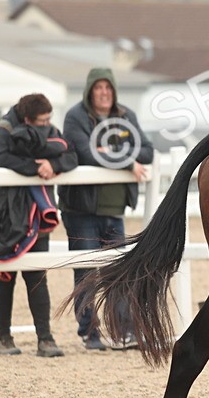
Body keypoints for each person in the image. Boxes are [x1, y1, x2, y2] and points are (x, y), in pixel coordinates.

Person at [59, 67, 154, 350]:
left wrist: (110, 153)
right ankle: (89, 332)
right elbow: (86, 153)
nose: (104, 93)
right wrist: (127, 160)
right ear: (90, 90)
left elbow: (147, 151)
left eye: (108, 88)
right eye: (99, 88)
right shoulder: (75, 117)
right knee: (86, 272)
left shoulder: (126, 116)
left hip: (113, 208)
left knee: (118, 270)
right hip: (81, 209)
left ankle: (124, 331)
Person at [0, 93, 77, 357]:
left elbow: (71, 155)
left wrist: (53, 164)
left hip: (35, 212)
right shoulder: (3, 131)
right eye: (42, 121)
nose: (47, 125)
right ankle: (4, 338)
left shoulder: (49, 130)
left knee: (36, 275)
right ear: (27, 119)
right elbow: (1, 159)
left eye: (48, 120)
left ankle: (45, 339)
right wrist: (35, 166)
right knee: (5, 273)